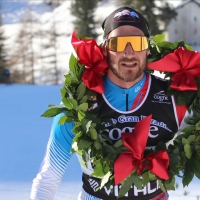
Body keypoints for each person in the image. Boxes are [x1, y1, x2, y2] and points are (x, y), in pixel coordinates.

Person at [30, 6, 190, 200]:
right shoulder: (78, 107)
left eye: (137, 42)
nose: (129, 52)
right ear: (105, 48)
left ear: (148, 48)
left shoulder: (175, 100)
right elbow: (48, 180)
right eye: (119, 43)